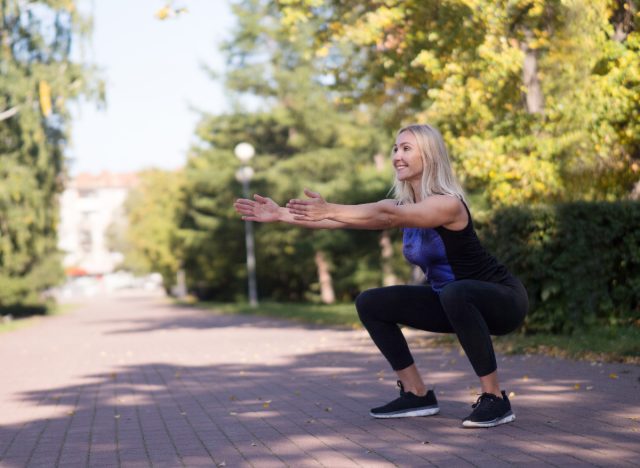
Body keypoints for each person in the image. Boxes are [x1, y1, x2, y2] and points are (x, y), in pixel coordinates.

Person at [233, 124, 528, 428]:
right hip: (451, 300)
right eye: (395, 149)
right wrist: (281, 214)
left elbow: (385, 216)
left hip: (502, 301)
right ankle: (416, 393)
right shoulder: (401, 206)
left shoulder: (447, 204)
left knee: (456, 291)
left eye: (407, 149)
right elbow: (346, 220)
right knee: (371, 302)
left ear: (429, 155)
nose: (397, 156)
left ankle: (494, 399)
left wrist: (329, 207)